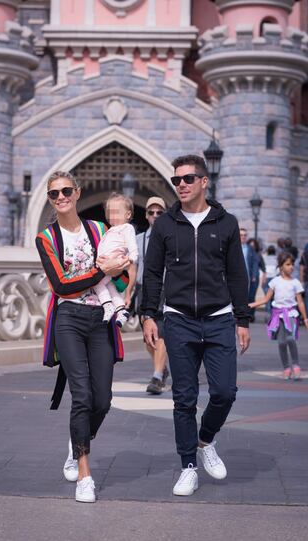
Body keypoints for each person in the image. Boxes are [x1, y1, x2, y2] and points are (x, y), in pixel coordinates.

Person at [141, 154, 250, 497]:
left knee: (224, 392)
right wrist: (148, 315)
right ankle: (188, 465)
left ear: (205, 181)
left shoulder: (227, 223)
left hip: (219, 319)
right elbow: (153, 273)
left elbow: (236, 273)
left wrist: (243, 319)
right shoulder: (164, 226)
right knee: (184, 398)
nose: (182, 185)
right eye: (177, 180)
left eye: (188, 179)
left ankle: (205, 440)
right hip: (178, 320)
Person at [36, 171, 128, 503]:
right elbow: (61, 285)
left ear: (77, 193)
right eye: (53, 193)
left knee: (103, 399)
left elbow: (122, 271)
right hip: (69, 319)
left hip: (100, 318)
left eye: (65, 191)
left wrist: (121, 271)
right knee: (82, 396)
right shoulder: (46, 238)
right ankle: (84, 474)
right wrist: (103, 271)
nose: (60, 197)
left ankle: (77, 441)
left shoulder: (99, 229)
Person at [249, 252, 308, 380]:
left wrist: (305, 318)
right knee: (281, 342)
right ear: (281, 266)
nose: (291, 267)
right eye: (288, 264)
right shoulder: (275, 281)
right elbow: (265, 299)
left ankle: (296, 365)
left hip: (291, 314)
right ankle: (286, 367)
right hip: (278, 315)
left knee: (291, 338)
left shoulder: (295, 282)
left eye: (292, 264)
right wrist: (250, 305)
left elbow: (300, 302)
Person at [136, 196, 169, 395]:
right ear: (146, 215)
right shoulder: (139, 240)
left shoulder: (171, 237)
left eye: (159, 213)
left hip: (166, 290)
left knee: (161, 333)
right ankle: (162, 368)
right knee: (148, 338)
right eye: (151, 212)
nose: (155, 216)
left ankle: (157, 376)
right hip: (144, 291)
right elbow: (133, 268)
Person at [93, 192, 138, 327]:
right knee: (110, 286)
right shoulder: (110, 230)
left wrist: (130, 260)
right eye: (110, 213)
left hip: (116, 261)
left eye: (117, 212)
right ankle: (120, 309)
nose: (113, 216)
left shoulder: (127, 228)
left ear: (128, 215)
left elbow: (133, 248)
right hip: (106, 263)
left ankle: (107, 305)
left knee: (96, 282)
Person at [247, 238, 266, 321]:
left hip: (254, 278)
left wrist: (264, 276)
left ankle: (251, 315)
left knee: (251, 296)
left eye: (253, 246)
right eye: (250, 245)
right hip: (245, 277)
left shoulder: (258, 255)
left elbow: (263, 267)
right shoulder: (245, 252)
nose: (252, 247)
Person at [262, 245, 278, 317]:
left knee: (266, 297)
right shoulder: (276, 258)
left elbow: (262, 269)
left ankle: (268, 314)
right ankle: (273, 314)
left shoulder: (265, 258)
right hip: (274, 278)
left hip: (266, 277)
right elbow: (278, 270)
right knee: (273, 297)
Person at [299, 243, 308, 318]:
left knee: (306, 298)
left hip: (306, 279)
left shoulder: (304, 254)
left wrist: (301, 280)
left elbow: (302, 268)